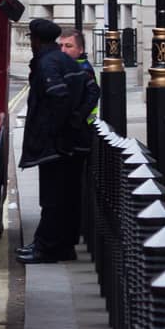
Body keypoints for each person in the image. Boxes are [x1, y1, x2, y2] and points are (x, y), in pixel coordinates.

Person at [17, 18, 89, 264]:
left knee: (53, 198)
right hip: (73, 142)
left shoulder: (48, 63)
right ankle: (63, 247)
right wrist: (77, 120)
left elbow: (59, 98)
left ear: (36, 40)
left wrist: (55, 132)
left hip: (58, 145)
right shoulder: (66, 61)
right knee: (68, 198)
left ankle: (46, 248)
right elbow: (91, 90)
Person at [58, 25, 101, 250]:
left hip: (80, 136)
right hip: (75, 134)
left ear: (81, 48)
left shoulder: (82, 68)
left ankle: (69, 238)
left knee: (71, 191)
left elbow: (93, 93)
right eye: (61, 46)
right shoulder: (70, 65)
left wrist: (77, 118)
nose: (64, 50)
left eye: (69, 46)